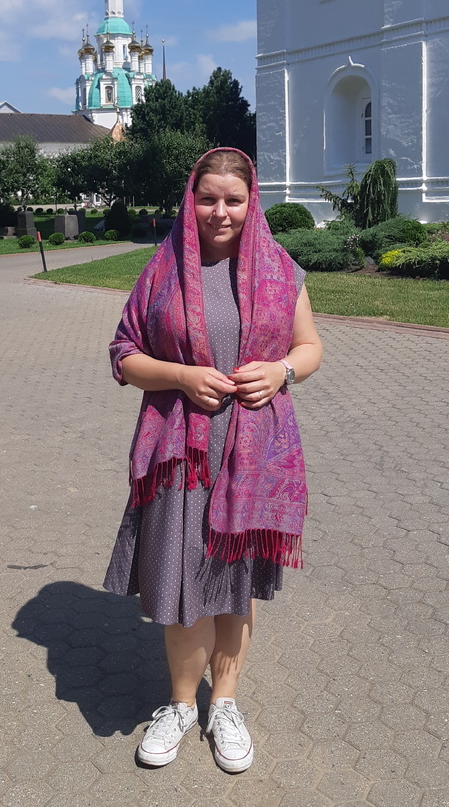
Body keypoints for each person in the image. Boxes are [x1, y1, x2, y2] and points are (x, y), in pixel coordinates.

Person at [104, 148, 322, 772]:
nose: (220, 212)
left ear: (252, 202)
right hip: (182, 453)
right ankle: (180, 705)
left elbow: (309, 347)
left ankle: (224, 703)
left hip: (254, 453)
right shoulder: (163, 269)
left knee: (235, 584)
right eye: (208, 199)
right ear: (190, 199)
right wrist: (181, 375)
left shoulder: (281, 269)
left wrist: (281, 372)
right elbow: (123, 355)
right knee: (181, 578)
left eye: (233, 199)